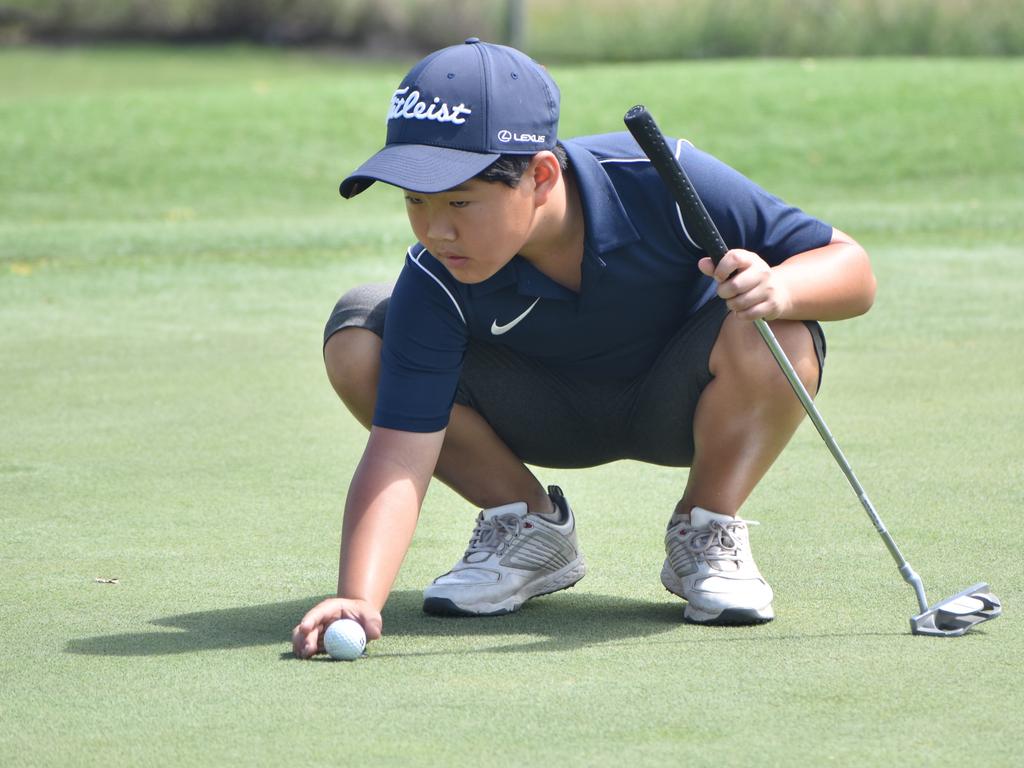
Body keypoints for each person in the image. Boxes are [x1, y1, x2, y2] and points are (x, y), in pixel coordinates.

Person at [292, 38, 875, 658]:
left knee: (778, 327)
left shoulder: (661, 179)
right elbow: (399, 453)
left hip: (683, 407)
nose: (437, 229)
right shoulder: (436, 276)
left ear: (540, 176)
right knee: (361, 337)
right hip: (539, 419)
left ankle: (706, 527)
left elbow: (852, 269)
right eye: (415, 201)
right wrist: (360, 596)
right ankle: (527, 528)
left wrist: (779, 286)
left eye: (460, 201)